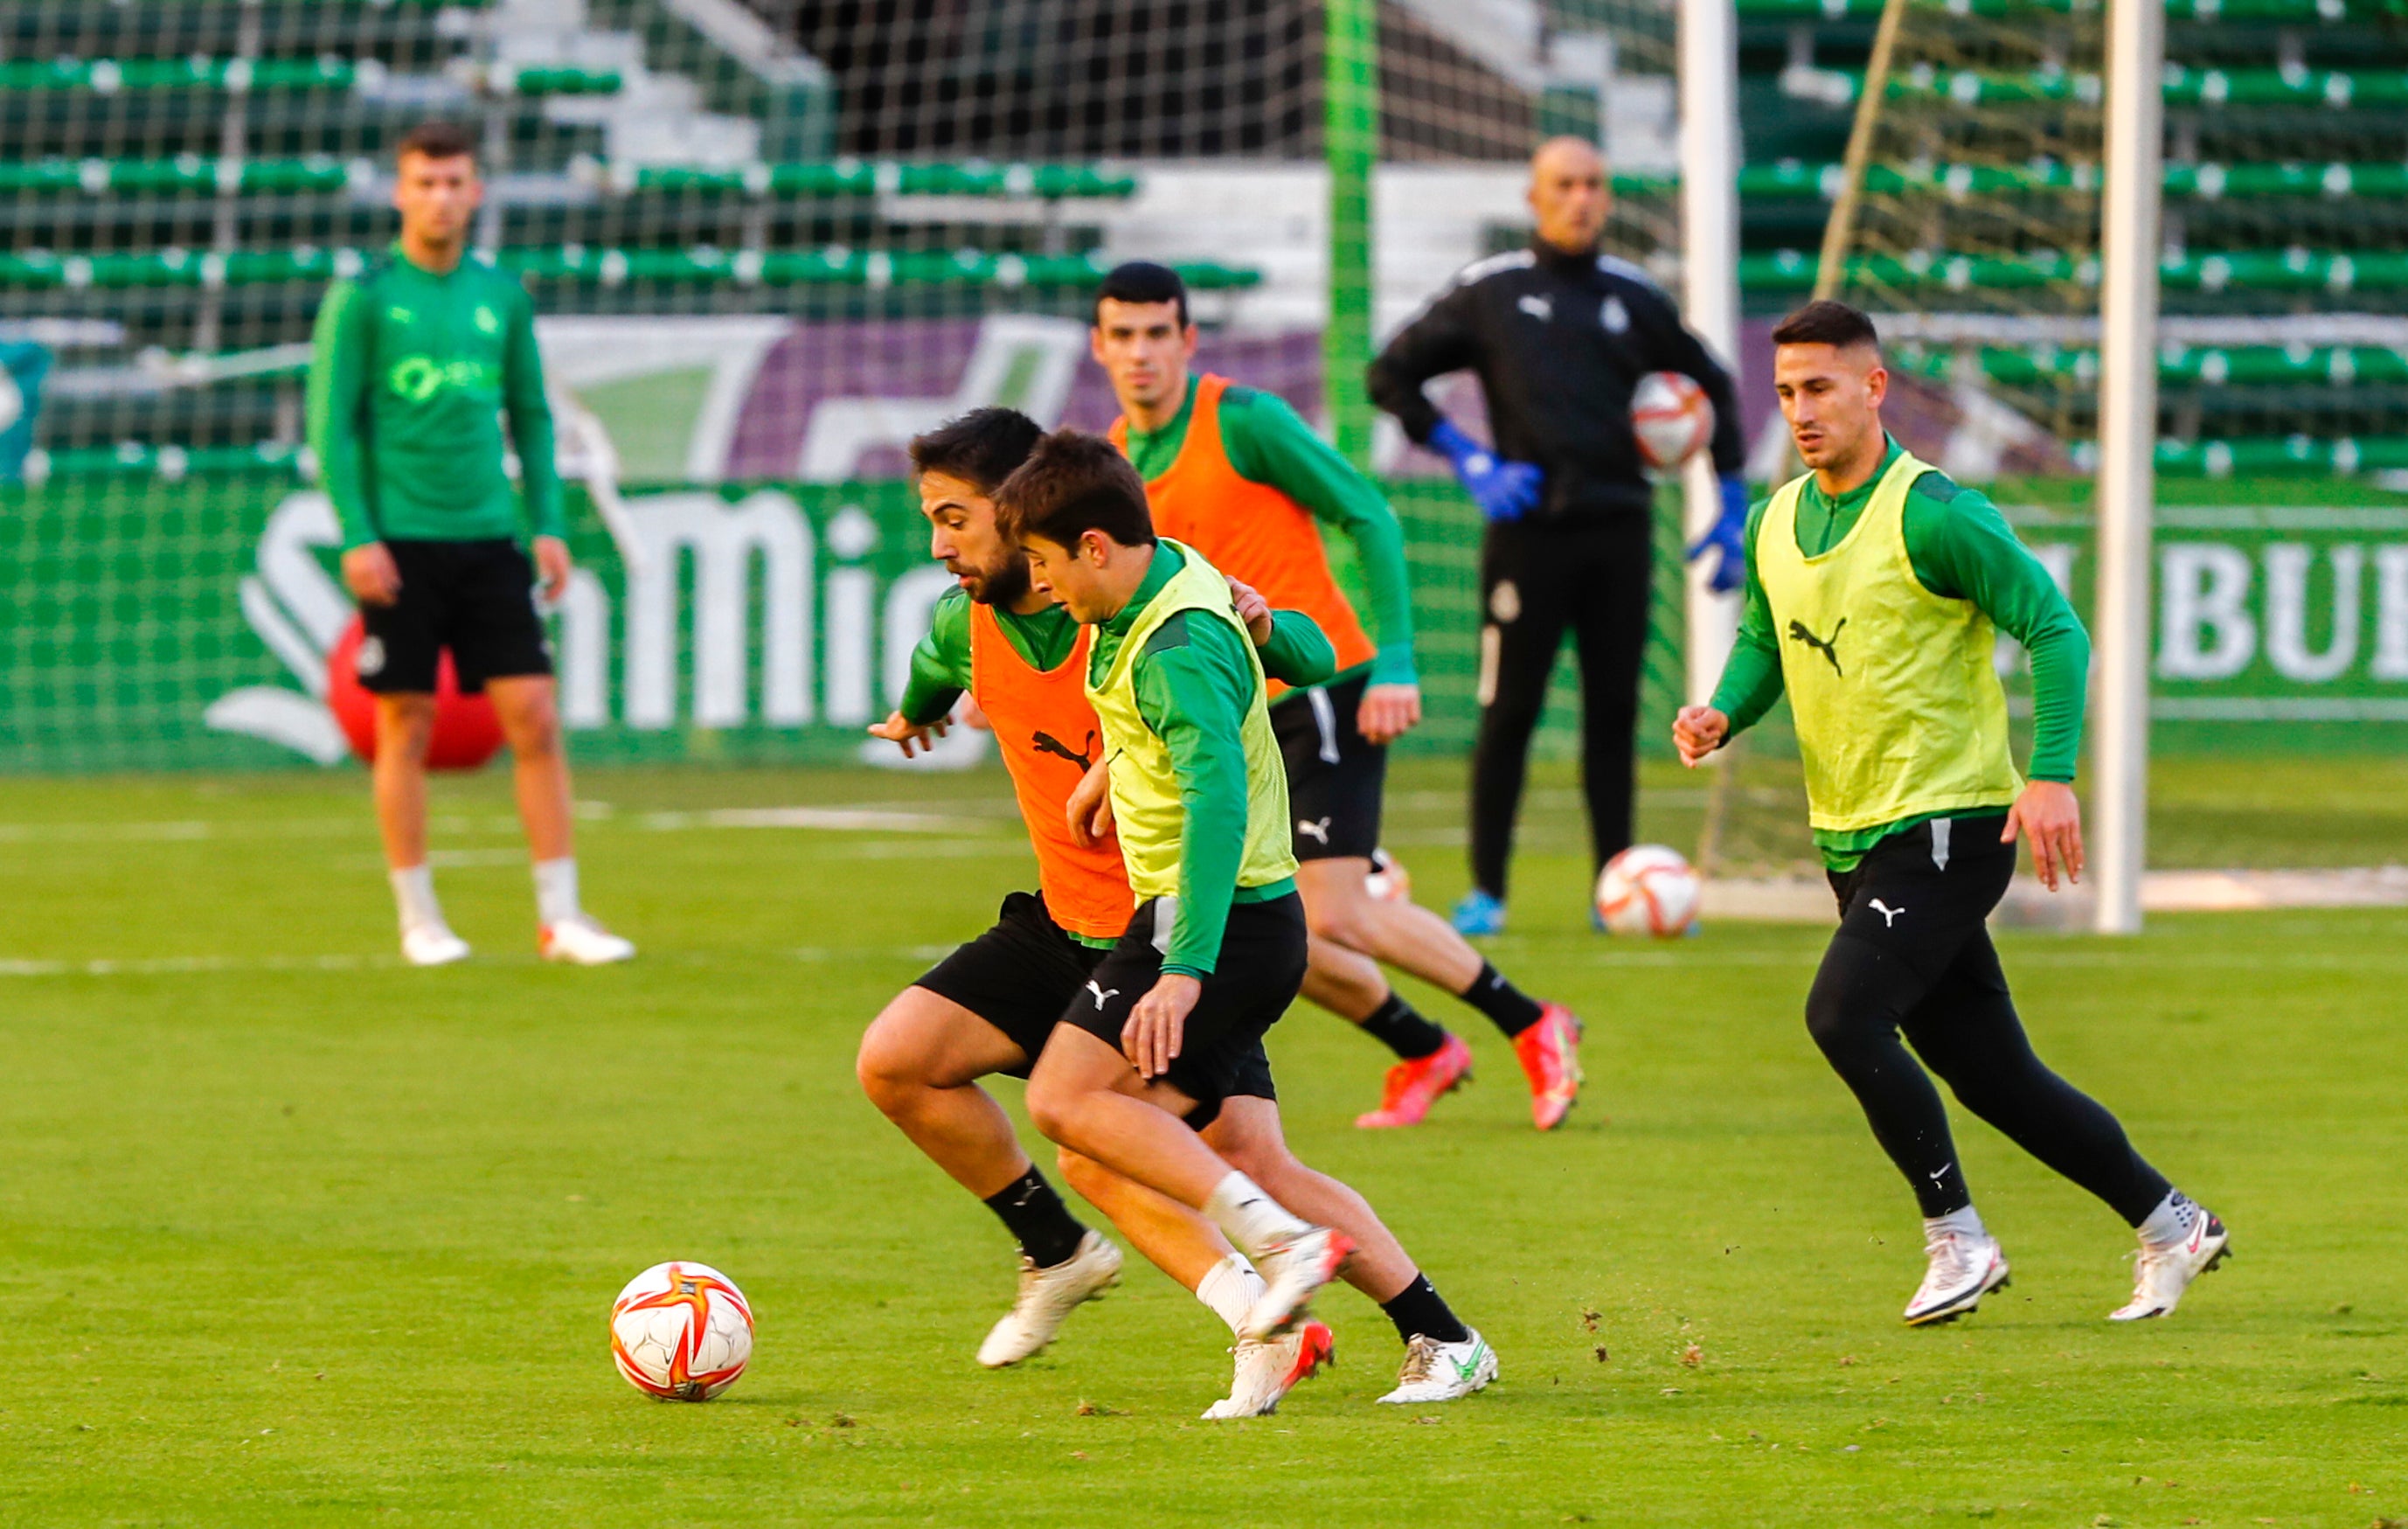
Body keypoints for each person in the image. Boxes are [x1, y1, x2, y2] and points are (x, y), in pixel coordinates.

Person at [1672, 300, 2230, 1326]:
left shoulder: (1934, 512)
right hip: (1851, 832)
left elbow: (2054, 629)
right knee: (1993, 1075)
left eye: (1822, 388)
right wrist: (1722, 709)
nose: (1800, 410)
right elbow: (1767, 638)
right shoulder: (1773, 522)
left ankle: (1956, 1237)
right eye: (1787, 391)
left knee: (1841, 1017)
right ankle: (2170, 1223)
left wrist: (2050, 772)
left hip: (1948, 826)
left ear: (1874, 387)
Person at [994, 427, 1500, 1403]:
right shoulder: (1178, 578)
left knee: (1069, 1111)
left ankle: (1280, 1255)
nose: (1045, 587)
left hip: (1210, 922)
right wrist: (1132, 754)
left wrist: (1182, 967)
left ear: (1095, 546)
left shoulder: (1175, 642)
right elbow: (1306, 656)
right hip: (1237, 921)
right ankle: (1436, 1338)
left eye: (1051, 565)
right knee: (1236, 1152)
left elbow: (1218, 796)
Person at [858, 407, 1337, 1417]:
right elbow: (937, 667)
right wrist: (913, 712)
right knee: (897, 1060)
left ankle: (1422, 1327)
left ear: (1020, 517)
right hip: (1063, 931)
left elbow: (1261, 698)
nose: (938, 545)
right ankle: (1057, 1251)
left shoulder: (1136, 608)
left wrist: (1255, 629)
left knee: (1168, 1150)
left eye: (953, 519)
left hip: (1173, 931)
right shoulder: (967, 620)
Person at [1093, 260, 1584, 1131]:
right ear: (1099, 347)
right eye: (1123, 336)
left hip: (1321, 690)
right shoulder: (1118, 460)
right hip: (1230, 719)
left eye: (1157, 334)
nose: (1141, 355)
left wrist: (1394, 660)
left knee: (1331, 909)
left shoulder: (1241, 421)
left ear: (1187, 340)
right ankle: (1424, 1047)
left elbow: (1368, 513)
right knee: (1272, 920)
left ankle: (1530, 1021)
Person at [1367, 136, 1749, 937]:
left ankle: (1615, 888)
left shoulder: (1634, 296)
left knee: (1612, 718)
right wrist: (1467, 456)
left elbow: (1712, 381)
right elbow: (1388, 372)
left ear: (1607, 199)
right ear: (1534, 197)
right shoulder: (1491, 291)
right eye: (1564, 185)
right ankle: (1486, 892)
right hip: (1526, 538)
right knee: (1508, 712)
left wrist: (1732, 494)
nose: (1579, 198)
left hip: (1620, 531)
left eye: (1593, 184)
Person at [307, 121, 631, 967]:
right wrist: (356, 534)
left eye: (455, 182)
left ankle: (560, 917)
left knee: (535, 717)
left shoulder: (502, 296)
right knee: (403, 722)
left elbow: (529, 413)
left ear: (477, 192)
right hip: (401, 543)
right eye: (425, 182)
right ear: (399, 192)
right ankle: (419, 917)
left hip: (490, 537)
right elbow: (331, 427)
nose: (440, 197)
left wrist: (549, 525)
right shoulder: (366, 297)